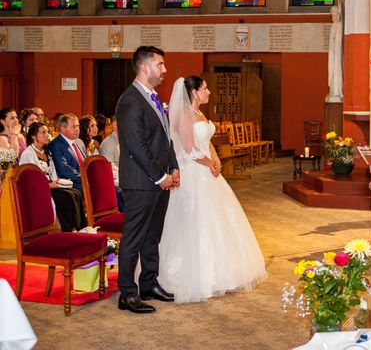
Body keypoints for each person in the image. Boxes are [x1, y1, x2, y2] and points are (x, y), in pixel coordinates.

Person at [159, 76, 267, 303]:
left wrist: (216, 159)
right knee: (195, 222)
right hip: (192, 175)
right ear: (195, 92)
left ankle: (223, 273)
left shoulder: (200, 114)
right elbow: (188, 151)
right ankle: (194, 277)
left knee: (218, 221)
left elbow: (206, 142)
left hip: (207, 171)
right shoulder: (184, 116)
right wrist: (209, 164)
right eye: (205, 88)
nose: (209, 91)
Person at [116, 46, 180, 314]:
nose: (165, 70)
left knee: (152, 235)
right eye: (161, 64)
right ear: (145, 67)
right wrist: (160, 176)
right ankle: (127, 293)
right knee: (133, 237)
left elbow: (165, 139)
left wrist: (174, 167)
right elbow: (135, 145)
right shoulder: (130, 100)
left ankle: (148, 283)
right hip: (142, 182)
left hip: (159, 180)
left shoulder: (154, 98)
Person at [19, 122, 85, 231]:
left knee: (75, 193)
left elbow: (53, 172)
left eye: (47, 132)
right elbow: (29, 180)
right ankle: (67, 230)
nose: (47, 135)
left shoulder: (46, 151)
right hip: (39, 189)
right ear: (33, 136)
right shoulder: (28, 154)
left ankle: (80, 227)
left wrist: (59, 181)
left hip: (52, 185)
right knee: (66, 197)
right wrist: (49, 185)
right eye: (43, 132)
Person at [48, 114, 87, 194]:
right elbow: (63, 169)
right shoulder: (55, 145)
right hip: (72, 183)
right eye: (73, 127)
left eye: (78, 126)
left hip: (85, 179)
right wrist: (85, 178)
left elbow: (86, 163)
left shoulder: (79, 142)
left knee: (111, 187)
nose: (77, 129)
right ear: (63, 129)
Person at [99, 114, 124, 211]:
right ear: (114, 125)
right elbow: (109, 168)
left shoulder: (128, 140)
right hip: (114, 179)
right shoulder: (108, 143)